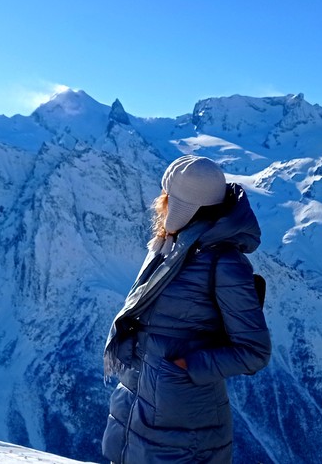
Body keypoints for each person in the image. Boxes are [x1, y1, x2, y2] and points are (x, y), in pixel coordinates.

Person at [101, 155, 271, 464]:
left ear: (183, 205)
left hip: (183, 425)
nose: (159, 203)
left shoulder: (224, 263)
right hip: (144, 407)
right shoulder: (172, 249)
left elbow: (254, 351)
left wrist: (184, 367)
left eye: (166, 197)